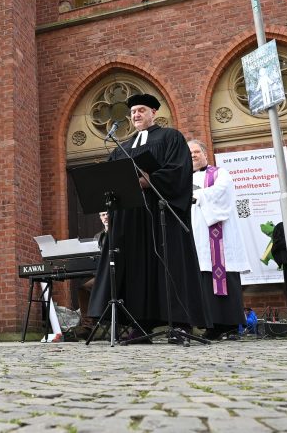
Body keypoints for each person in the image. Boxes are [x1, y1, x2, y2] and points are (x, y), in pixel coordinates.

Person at [87, 93, 209, 339]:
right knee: (135, 270)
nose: (136, 115)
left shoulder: (170, 137)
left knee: (170, 265)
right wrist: (108, 207)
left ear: (154, 112)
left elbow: (178, 171)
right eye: (133, 112)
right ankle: (138, 324)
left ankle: (181, 323)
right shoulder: (124, 146)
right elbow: (111, 180)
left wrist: (149, 180)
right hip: (131, 219)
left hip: (160, 214)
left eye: (141, 110)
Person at [188, 140, 252, 339]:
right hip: (197, 238)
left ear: (205, 154)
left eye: (196, 151)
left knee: (224, 277)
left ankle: (231, 326)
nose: (193, 155)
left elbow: (222, 192)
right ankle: (212, 326)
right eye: (189, 153)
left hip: (219, 237)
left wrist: (195, 195)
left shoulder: (219, 173)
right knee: (203, 281)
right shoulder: (181, 177)